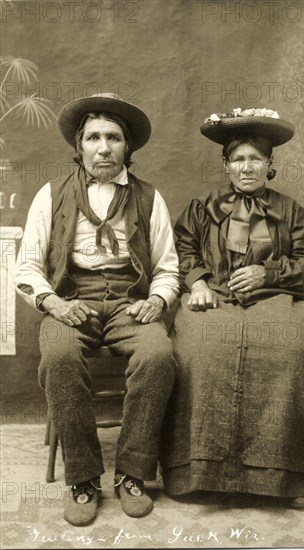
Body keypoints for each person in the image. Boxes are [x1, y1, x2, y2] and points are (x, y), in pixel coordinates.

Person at [159, 108, 304, 509]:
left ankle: (288, 476)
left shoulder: (291, 212)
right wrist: (199, 282)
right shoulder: (203, 208)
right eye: (238, 159)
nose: (246, 167)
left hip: (275, 300)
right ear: (225, 165)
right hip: (215, 299)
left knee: (291, 355)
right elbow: (181, 250)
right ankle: (196, 472)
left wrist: (267, 273)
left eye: (255, 158)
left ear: (270, 164)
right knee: (196, 352)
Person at [15, 93, 179, 525]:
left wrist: (158, 299)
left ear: (128, 147)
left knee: (159, 355)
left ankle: (132, 473)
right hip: (71, 300)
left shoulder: (149, 197)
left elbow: (167, 266)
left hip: (130, 300)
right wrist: (51, 301)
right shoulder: (50, 196)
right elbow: (27, 266)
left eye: (114, 137)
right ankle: (83, 479)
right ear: (79, 145)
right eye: (93, 138)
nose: (103, 147)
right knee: (60, 356)